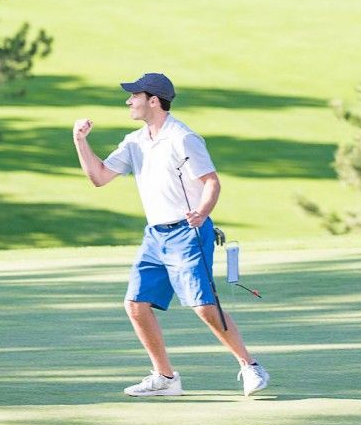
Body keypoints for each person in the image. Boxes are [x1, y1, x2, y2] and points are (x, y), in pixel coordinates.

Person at [72, 72, 270, 397]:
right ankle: (165, 378)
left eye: (134, 96)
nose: (128, 101)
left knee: (203, 305)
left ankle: (250, 366)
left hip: (188, 232)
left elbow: (211, 182)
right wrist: (80, 141)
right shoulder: (135, 141)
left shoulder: (183, 138)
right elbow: (100, 177)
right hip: (155, 235)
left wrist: (202, 213)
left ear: (153, 100)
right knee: (135, 304)